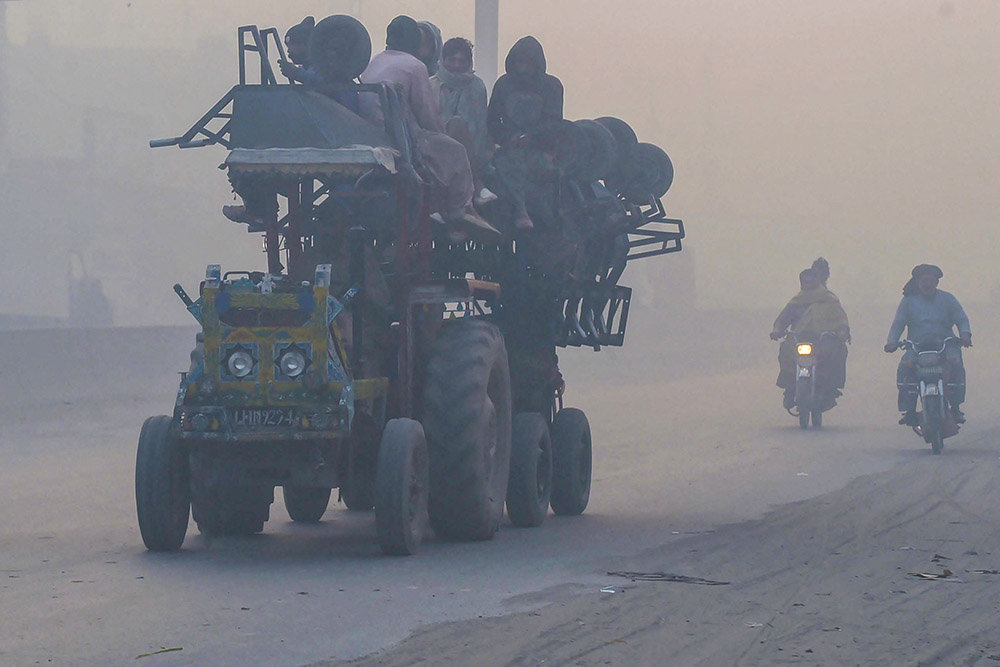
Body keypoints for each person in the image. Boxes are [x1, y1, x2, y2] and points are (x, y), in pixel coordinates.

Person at [360, 15, 499, 242]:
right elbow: (427, 114)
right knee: (454, 150)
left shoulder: (375, 61)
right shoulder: (415, 66)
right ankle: (460, 210)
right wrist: (441, 137)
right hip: (402, 139)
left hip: (375, 136)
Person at [487, 36, 564, 230]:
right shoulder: (503, 85)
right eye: (519, 62)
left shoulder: (552, 86)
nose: (523, 68)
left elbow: (554, 122)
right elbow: (492, 121)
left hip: (542, 148)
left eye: (528, 63)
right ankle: (518, 211)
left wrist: (532, 138)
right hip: (509, 147)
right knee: (505, 165)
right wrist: (509, 137)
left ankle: (536, 215)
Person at [884, 264, 972, 425]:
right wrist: (891, 342)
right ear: (918, 282)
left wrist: (965, 335)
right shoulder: (908, 301)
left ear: (937, 282)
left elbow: (961, 318)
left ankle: (956, 407)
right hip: (916, 347)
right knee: (904, 369)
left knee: (956, 365)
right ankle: (909, 410)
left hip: (945, 345)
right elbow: (898, 324)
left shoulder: (948, 299)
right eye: (924, 281)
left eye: (931, 281)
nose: (927, 284)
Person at [770, 267, 851, 410]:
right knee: (785, 351)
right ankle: (789, 389)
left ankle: (830, 388)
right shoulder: (796, 301)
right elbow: (783, 319)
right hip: (799, 339)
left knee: (836, 352)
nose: (808, 284)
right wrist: (777, 330)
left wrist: (842, 331)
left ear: (817, 282)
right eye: (805, 281)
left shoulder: (829, 300)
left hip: (824, 338)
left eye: (811, 281)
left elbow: (840, 320)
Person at [432, 37, 494, 204]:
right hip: (440, 146)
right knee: (456, 125)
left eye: (462, 61)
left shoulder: (477, 86)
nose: (457, 66)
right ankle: (477, 186)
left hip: (472, 149)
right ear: (442, 60)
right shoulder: (432, 85)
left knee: (459, 125)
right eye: (452, 60)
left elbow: (480, 127)